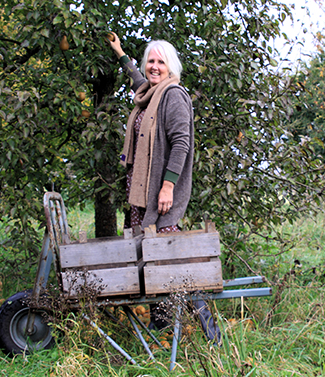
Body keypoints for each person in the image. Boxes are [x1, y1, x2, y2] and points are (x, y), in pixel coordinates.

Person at [108, 33, 219, 342]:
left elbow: (181, 144)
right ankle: (162, 324)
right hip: (141, 195)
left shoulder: (173, 95)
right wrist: (119, 53)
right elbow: (137, 79)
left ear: (171, 67)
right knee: (151, 259)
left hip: (160, 195)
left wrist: (168, 187)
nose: (154, 67)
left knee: (173, 263)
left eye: (161, 62)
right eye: (150, 62)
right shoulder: (149, 92)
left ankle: (211, 331)